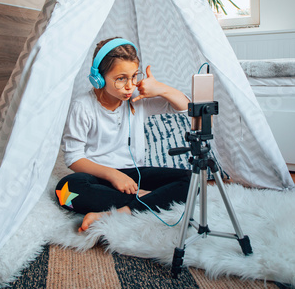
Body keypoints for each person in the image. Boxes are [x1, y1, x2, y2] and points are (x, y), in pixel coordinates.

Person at [55, 37, 192, 233]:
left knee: (192, 179)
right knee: (64, 191)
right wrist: (112, 174)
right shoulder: (83, 106)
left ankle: (121, 211)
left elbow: (186, 107)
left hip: (133, 175)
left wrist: (161, 88)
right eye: (121, 78)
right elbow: (73, 157)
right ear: (99, 78)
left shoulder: (137, 97)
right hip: (98, 176)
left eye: (134, 76)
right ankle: (150, 200)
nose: (130, 85)